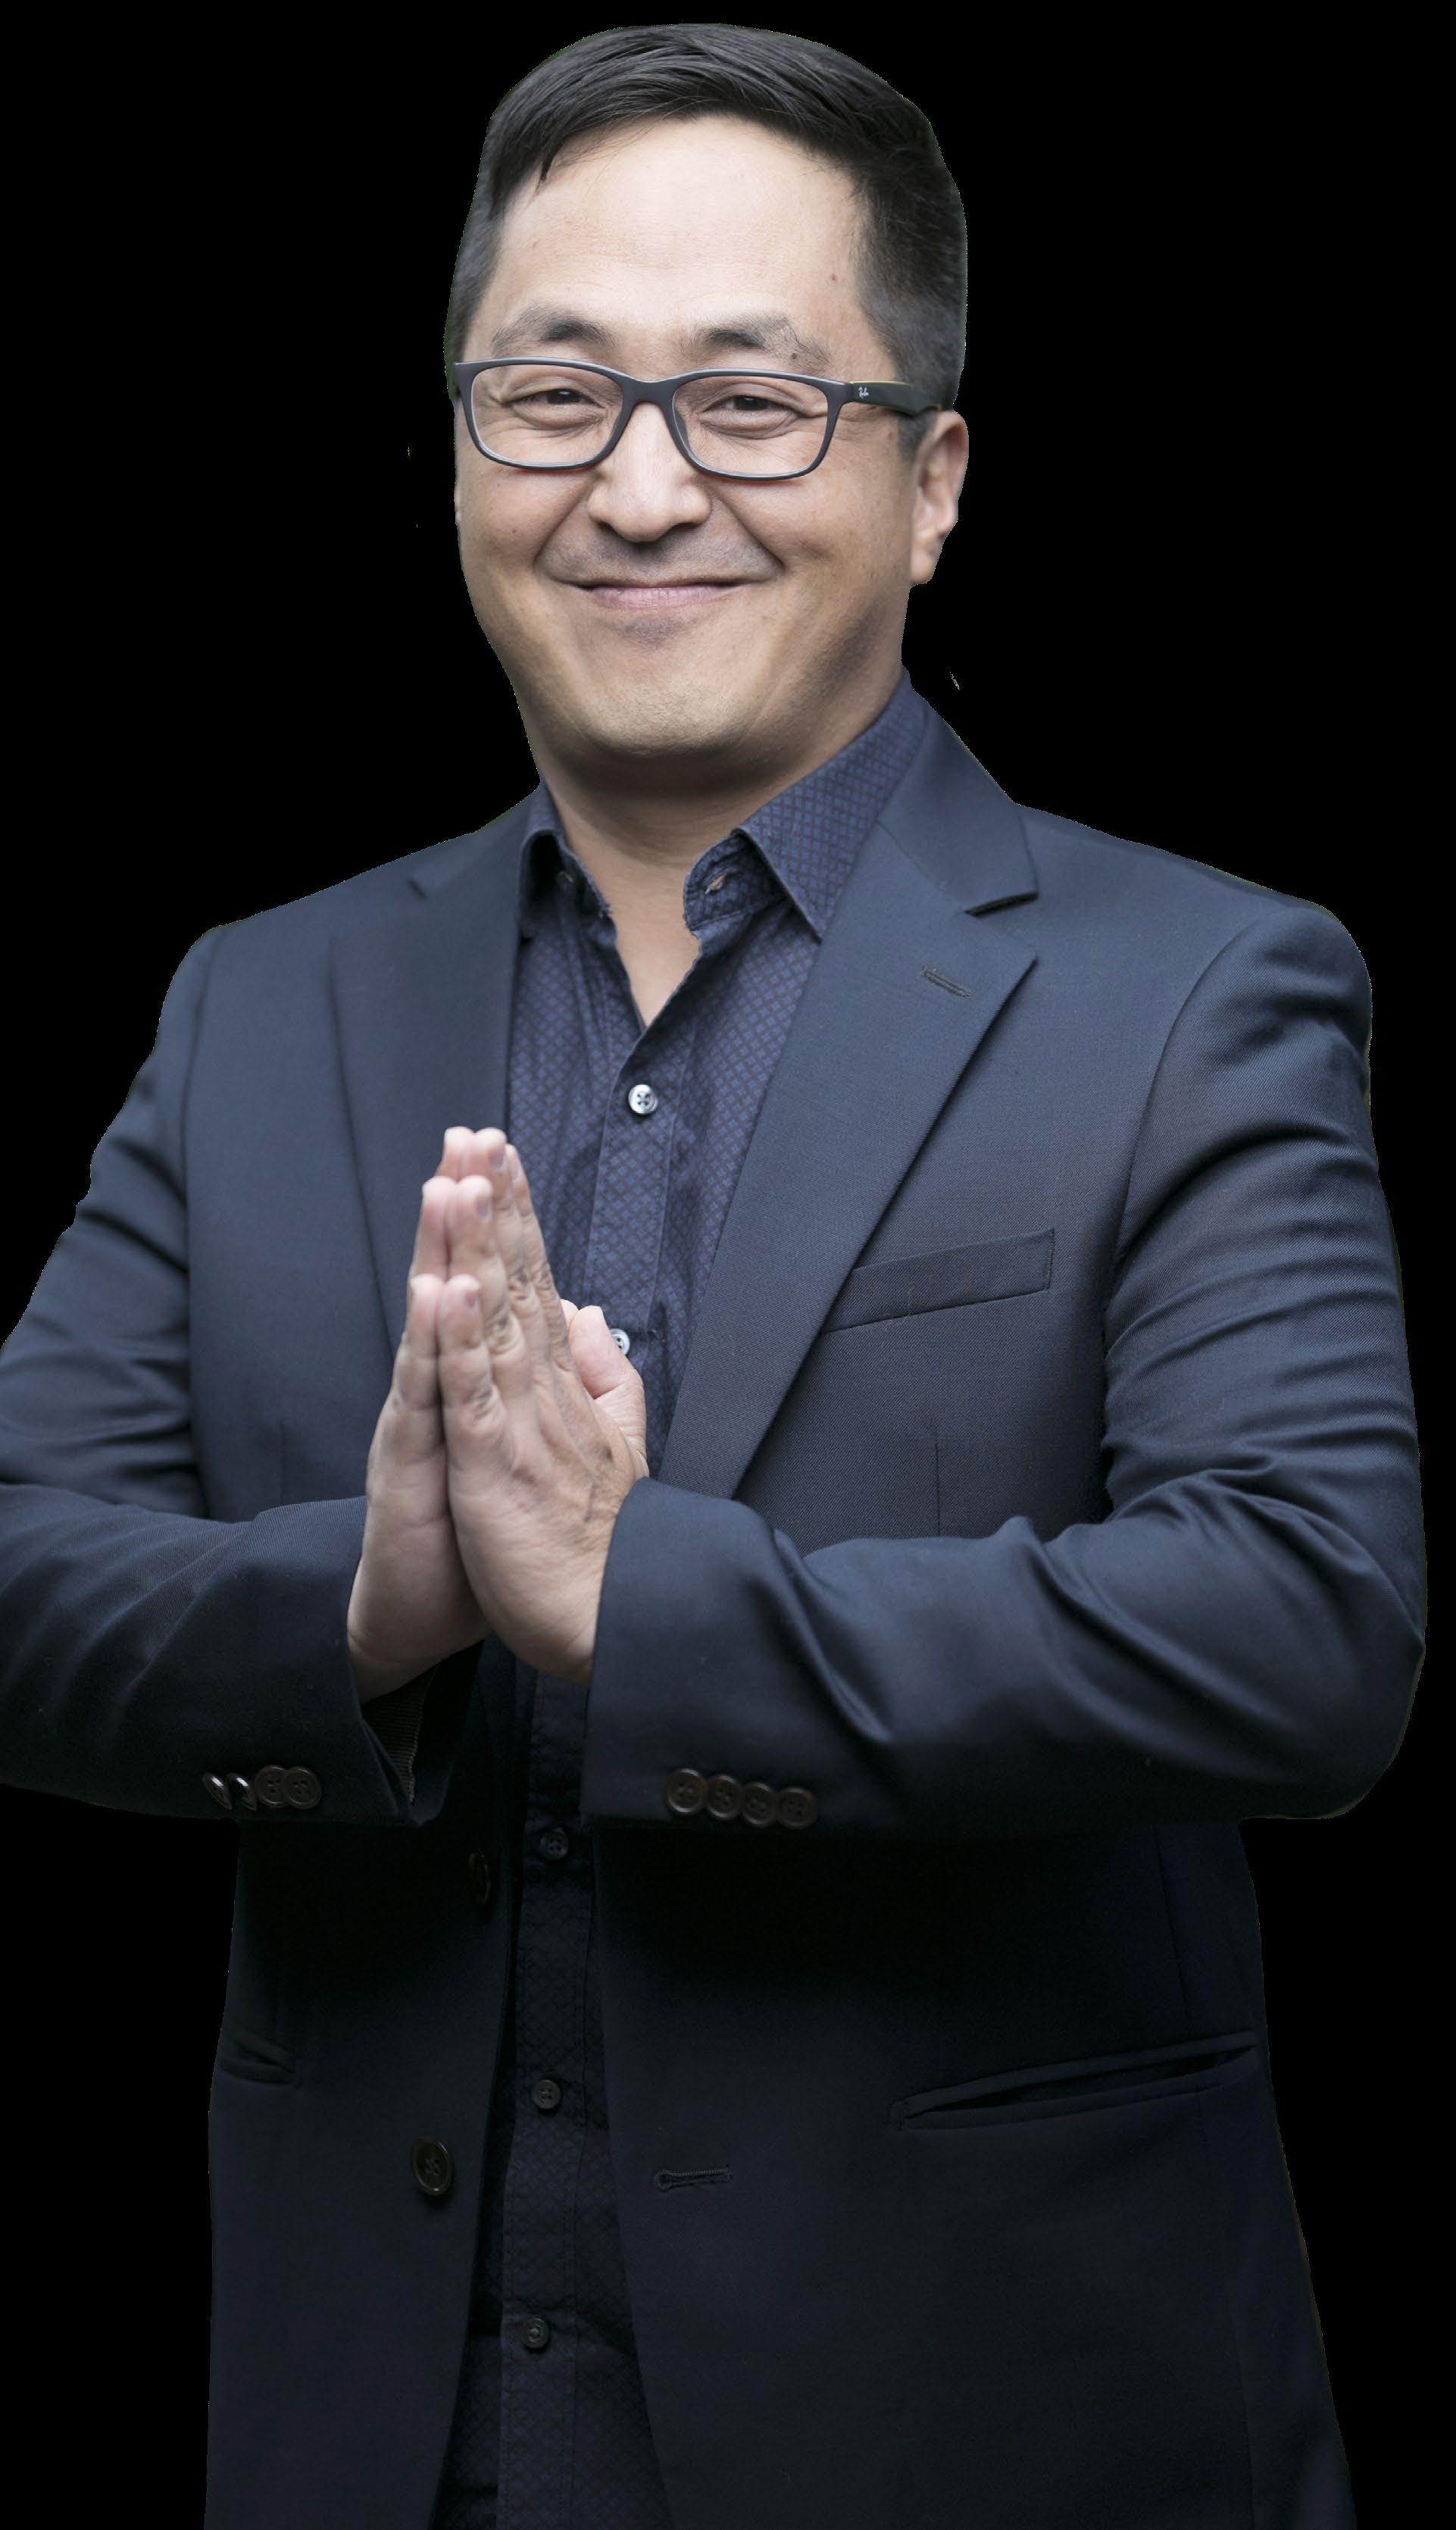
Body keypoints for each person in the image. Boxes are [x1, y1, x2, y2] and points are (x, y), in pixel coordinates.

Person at [0, 23, 1423, 2530]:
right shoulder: (259, 997)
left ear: (930, 479)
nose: (639, 487)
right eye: (551, 397)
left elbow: (1303, 1627)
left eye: (752, 404)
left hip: (999, 2441)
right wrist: (376, 1609)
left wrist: (630, 1598)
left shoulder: (1196, 984)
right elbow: (19, 1585)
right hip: (371, 2448)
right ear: (461, 453)